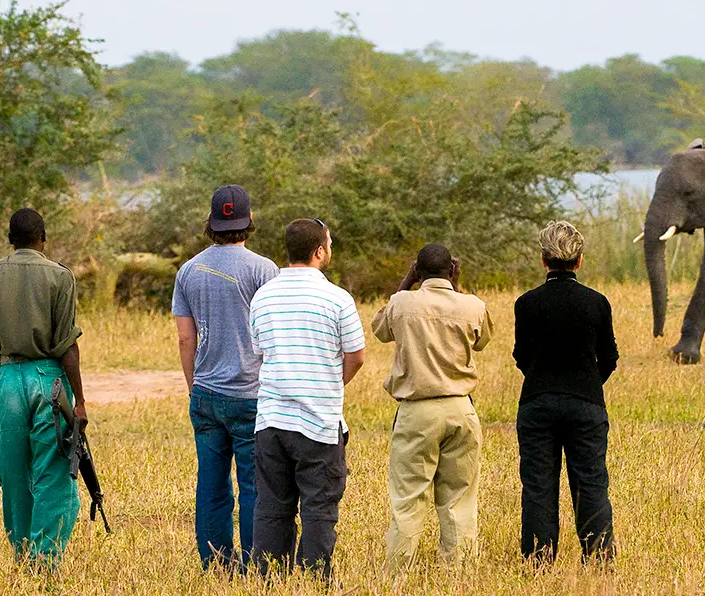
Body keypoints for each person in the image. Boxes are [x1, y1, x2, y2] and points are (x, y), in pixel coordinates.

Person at [249, 218, 365, 579]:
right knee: (319, 506)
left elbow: (259, 351)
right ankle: (315, 578)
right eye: (328, 245)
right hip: (318, 422)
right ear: (319, 251)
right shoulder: (337, 298)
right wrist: (332, 383)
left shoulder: (262, 296)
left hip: (270, 421)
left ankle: (269, 577)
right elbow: (357, 355)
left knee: (270, 506)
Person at [0, 208, 86, 568]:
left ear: (10, 239)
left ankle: (22, 554)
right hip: (48, 380)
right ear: (43, 237)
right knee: (54, 469)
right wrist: (79, 400)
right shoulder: (59, 276)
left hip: (6, 379)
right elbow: (67, 345)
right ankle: (45, 558)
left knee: (15, 469)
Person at [172, 185, 279, 571]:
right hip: (252, 393)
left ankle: (216, 564)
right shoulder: (265, 270)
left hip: (206, 393)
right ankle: (256, 562)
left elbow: (186, 337)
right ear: (249, 221)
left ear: (212, 224)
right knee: (253, 485)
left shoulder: (188, 271)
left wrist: (193, 385)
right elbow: (273, 333)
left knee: (212, 484)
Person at [372, 244, 494, 570]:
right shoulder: (472, 305)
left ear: (418, 271)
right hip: (461, 410)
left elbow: (380, 329)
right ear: (452, 271)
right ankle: (459, 575)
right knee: (459, 501)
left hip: (416, 412)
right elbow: (482, 340)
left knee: (409, 499)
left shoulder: (402, 303)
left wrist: (405, 282)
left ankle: (396, 575)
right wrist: (457, 287)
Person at [512, 220, 619, 564]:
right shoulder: (596, 302)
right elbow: (610, 357)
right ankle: (598, 556)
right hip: (586, 403)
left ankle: (539, 560)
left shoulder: (527, 303)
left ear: (544, 260)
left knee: (539, 486)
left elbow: (522, 356)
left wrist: (544, 379)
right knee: (590, 481)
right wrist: (586, 383)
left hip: (537, 402)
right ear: (580, 259)